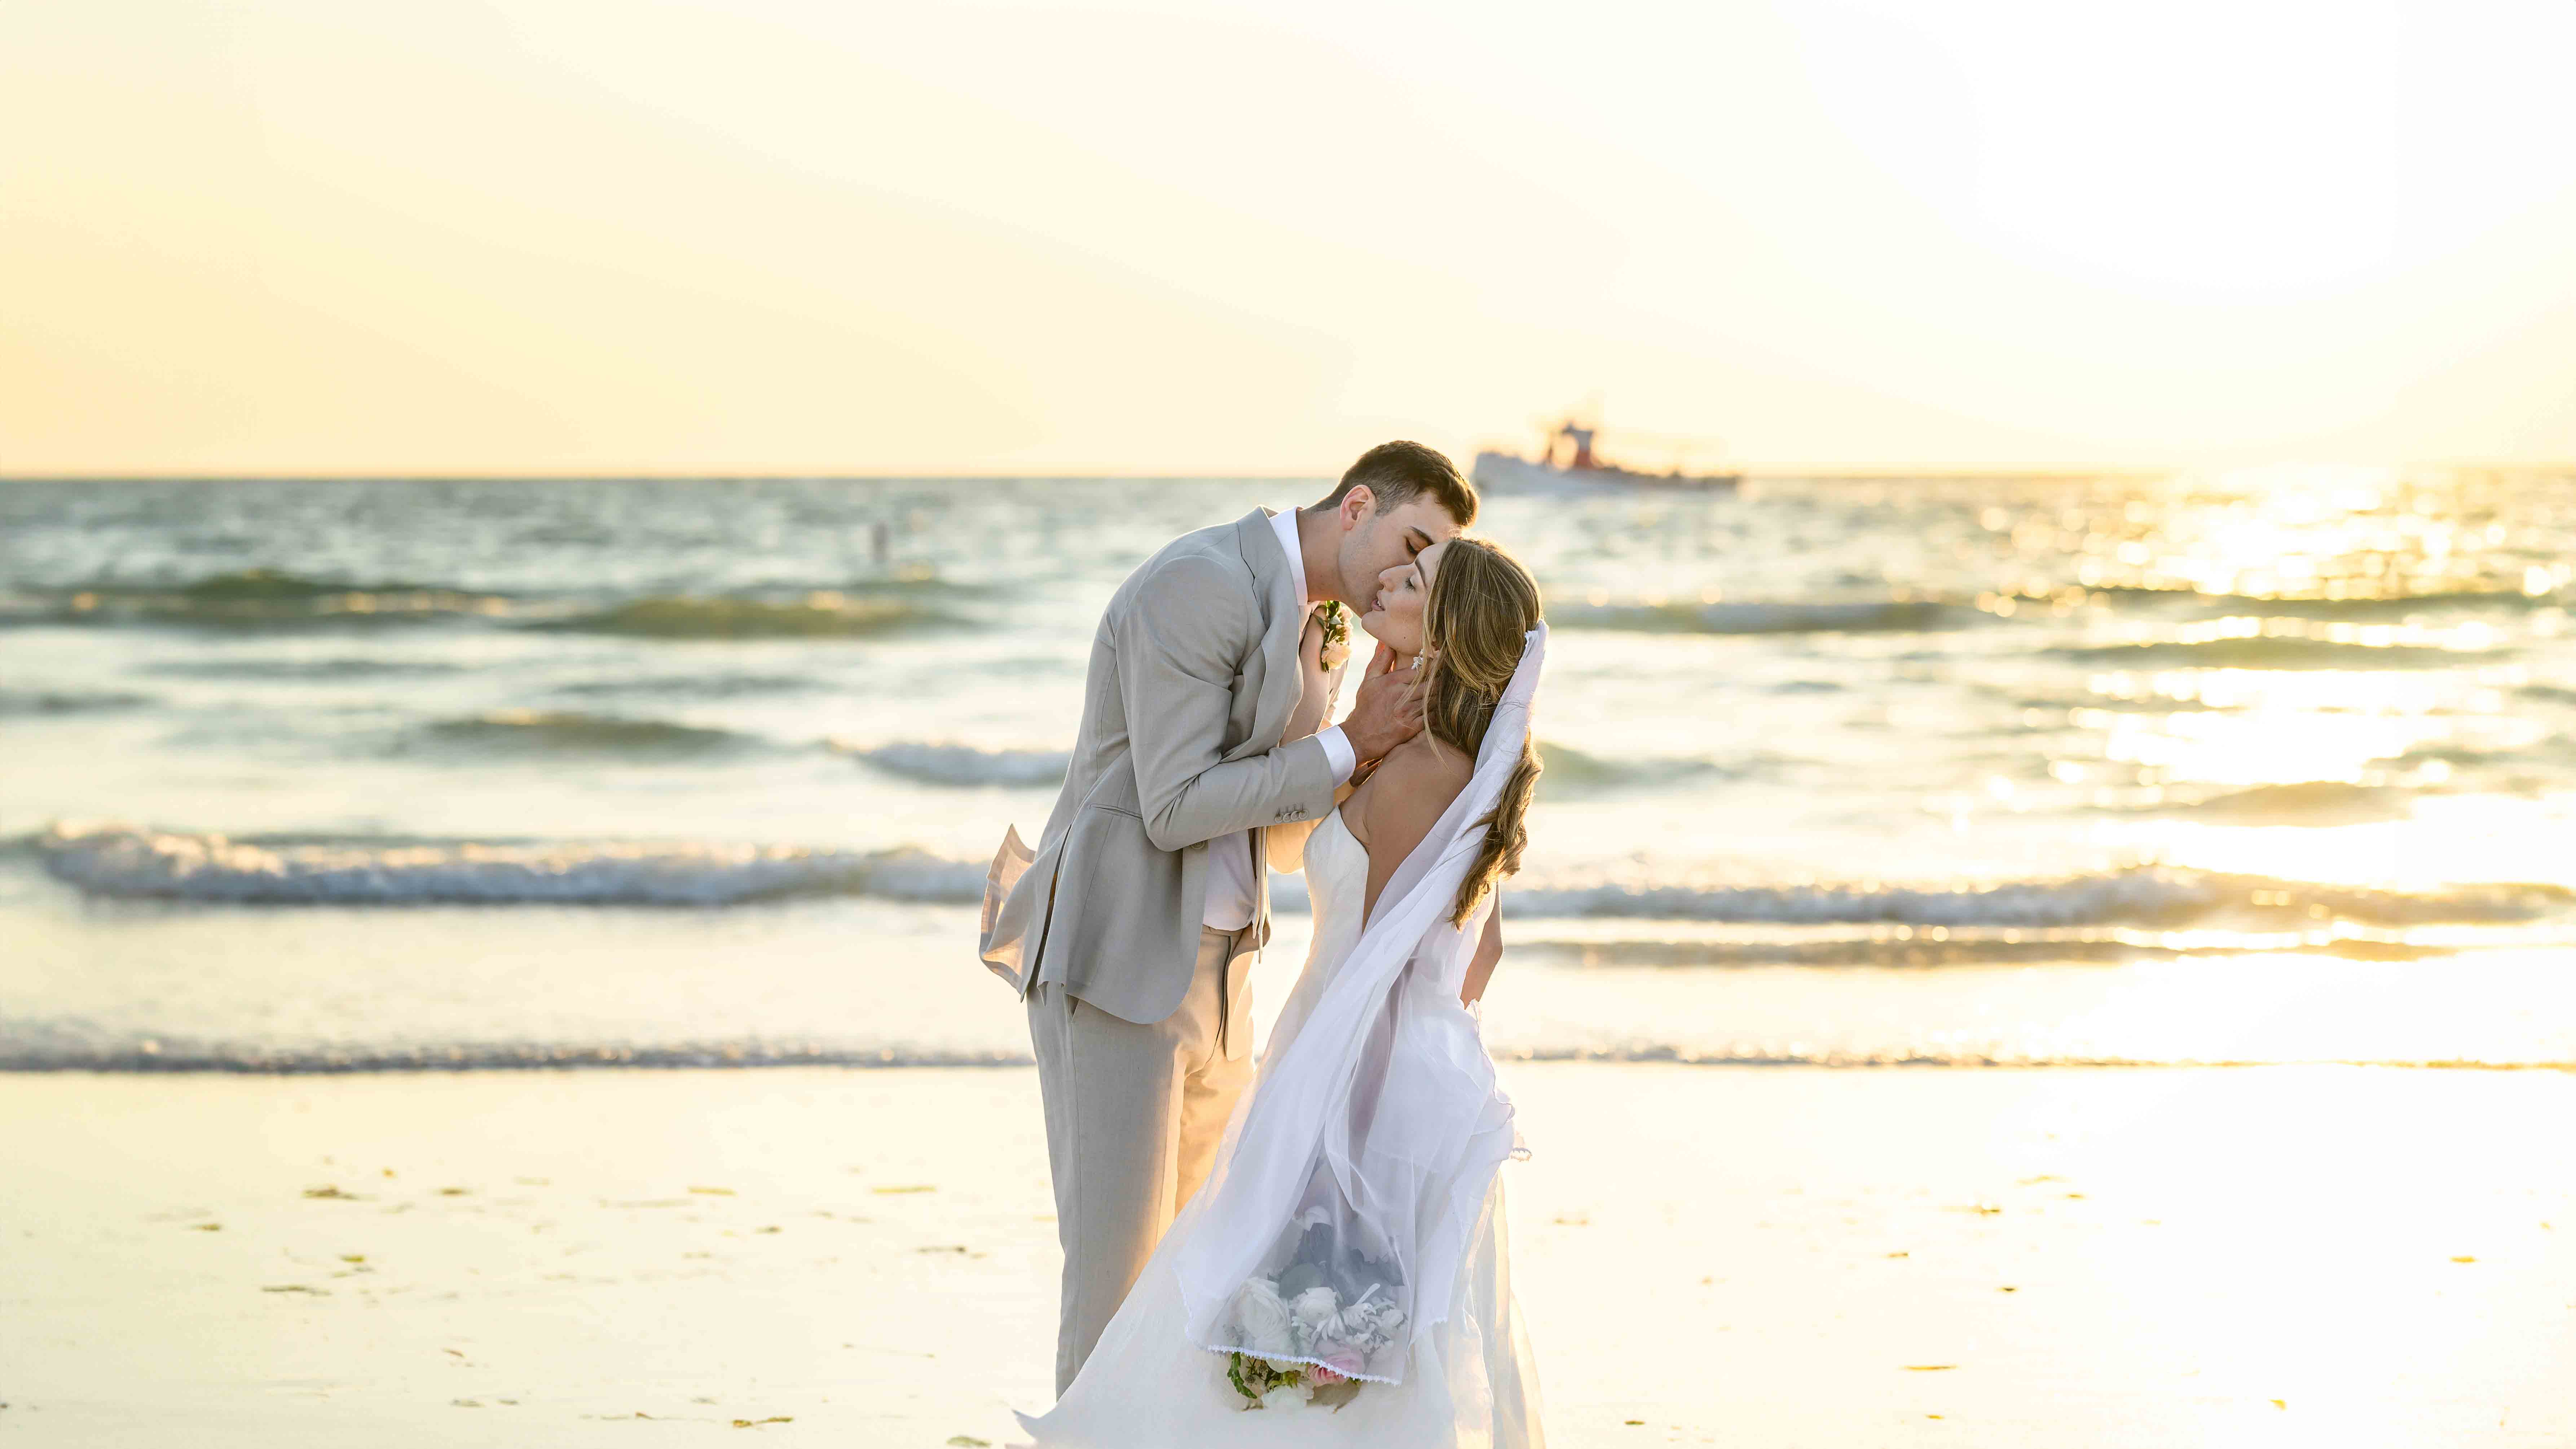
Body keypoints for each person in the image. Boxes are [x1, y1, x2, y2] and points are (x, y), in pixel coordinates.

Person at [1016, 535, 1549, 1447]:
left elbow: (1386, 974)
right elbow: (1480, 948)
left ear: (1447, 626)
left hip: (1355, 1073)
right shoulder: (1415, 756)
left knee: (1315, 1341)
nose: (1387, 580)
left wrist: (1343, 1122)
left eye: (1412, 581)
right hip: (1340, 1049)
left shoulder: (1426, 774)